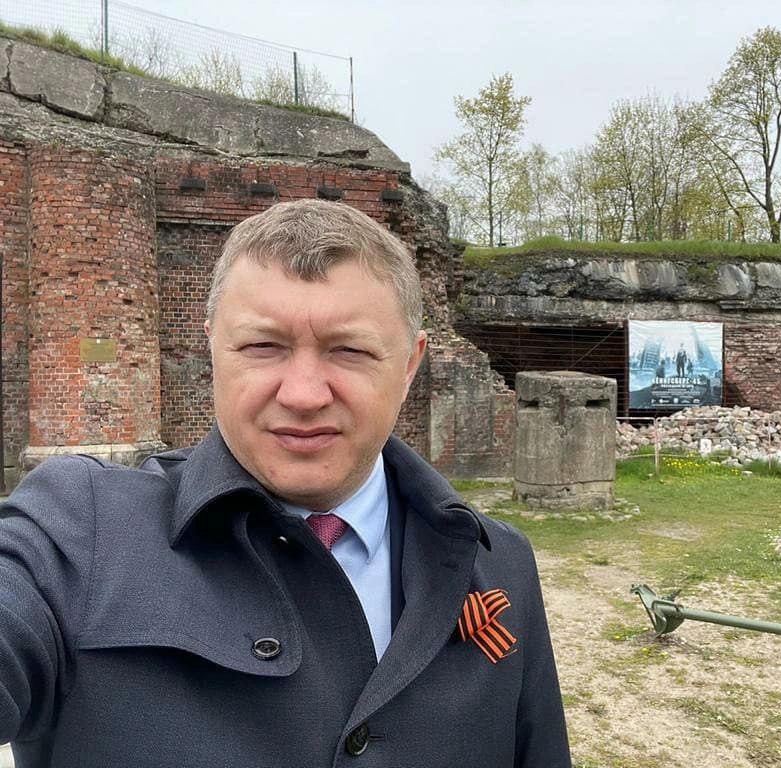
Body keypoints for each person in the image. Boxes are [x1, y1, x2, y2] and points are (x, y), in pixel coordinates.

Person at [0, 199, 571, 767]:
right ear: (213, 349)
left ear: (408, 366)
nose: (303, 395)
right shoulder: (77, 534)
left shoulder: (500, 564)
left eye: (349, 350)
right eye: (262, 346)